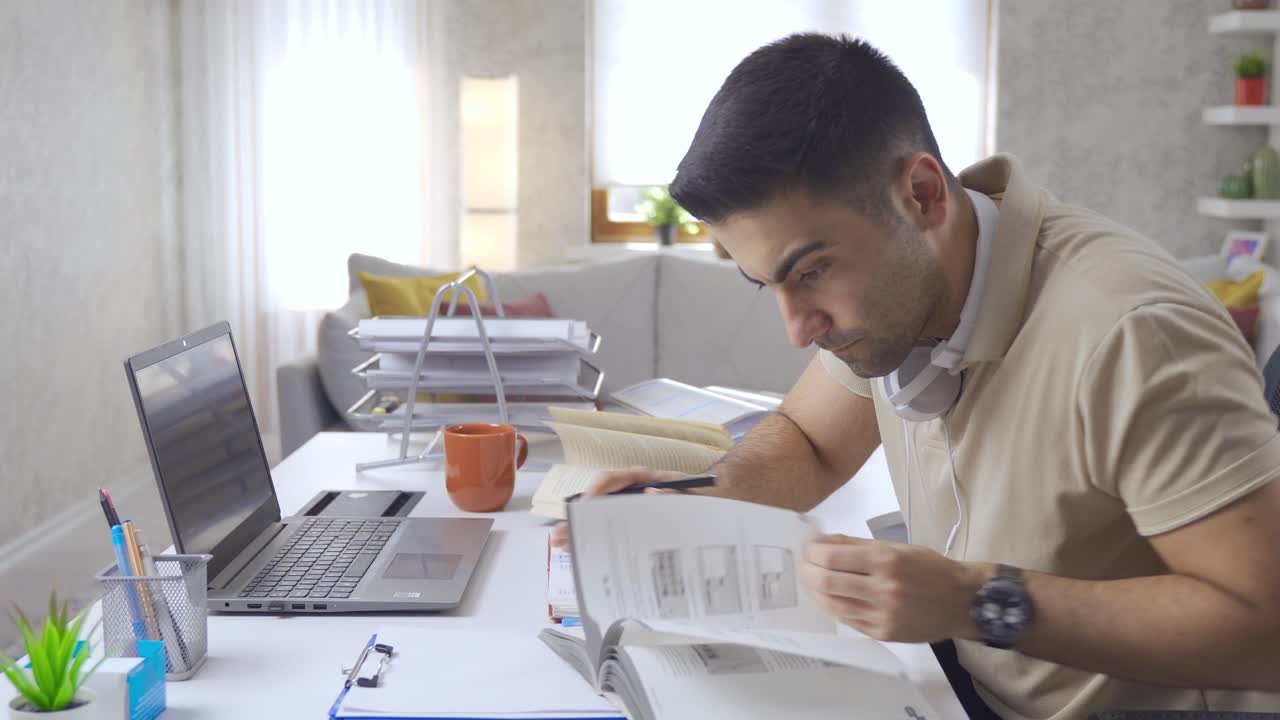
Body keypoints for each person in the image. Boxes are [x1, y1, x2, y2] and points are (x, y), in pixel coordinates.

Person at [553, 33, 1280, 719]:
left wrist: (975, 601)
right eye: (764, 284)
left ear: (923, 194)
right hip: (964, 687)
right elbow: (809, 439)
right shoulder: (901, 299)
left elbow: (1266, 629)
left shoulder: (1131, 331)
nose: (797, 327)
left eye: (811, 271)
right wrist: (697, 502)